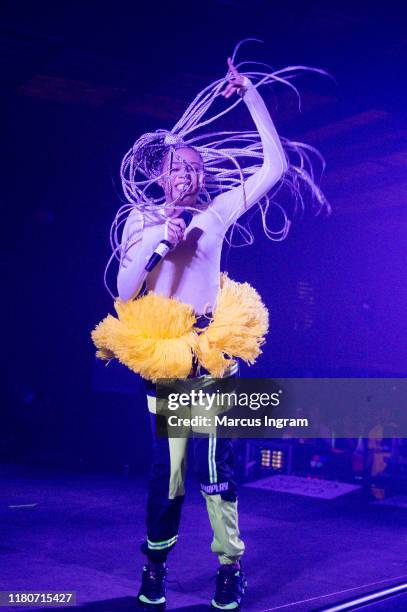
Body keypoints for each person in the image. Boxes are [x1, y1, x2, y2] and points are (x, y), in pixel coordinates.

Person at [92, 44, 329, 610]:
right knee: (167, 472)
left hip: (213, 351)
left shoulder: (217, 211)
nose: (190, 174)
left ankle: (230, 566)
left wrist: (252, 99)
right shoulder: (140, 219)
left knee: (217, 467)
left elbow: (274, 166)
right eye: (180, 167)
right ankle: (155, 566)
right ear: (161, 173)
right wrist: (159, 239)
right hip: (163, 358)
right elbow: (124, 291)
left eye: (197, 168)